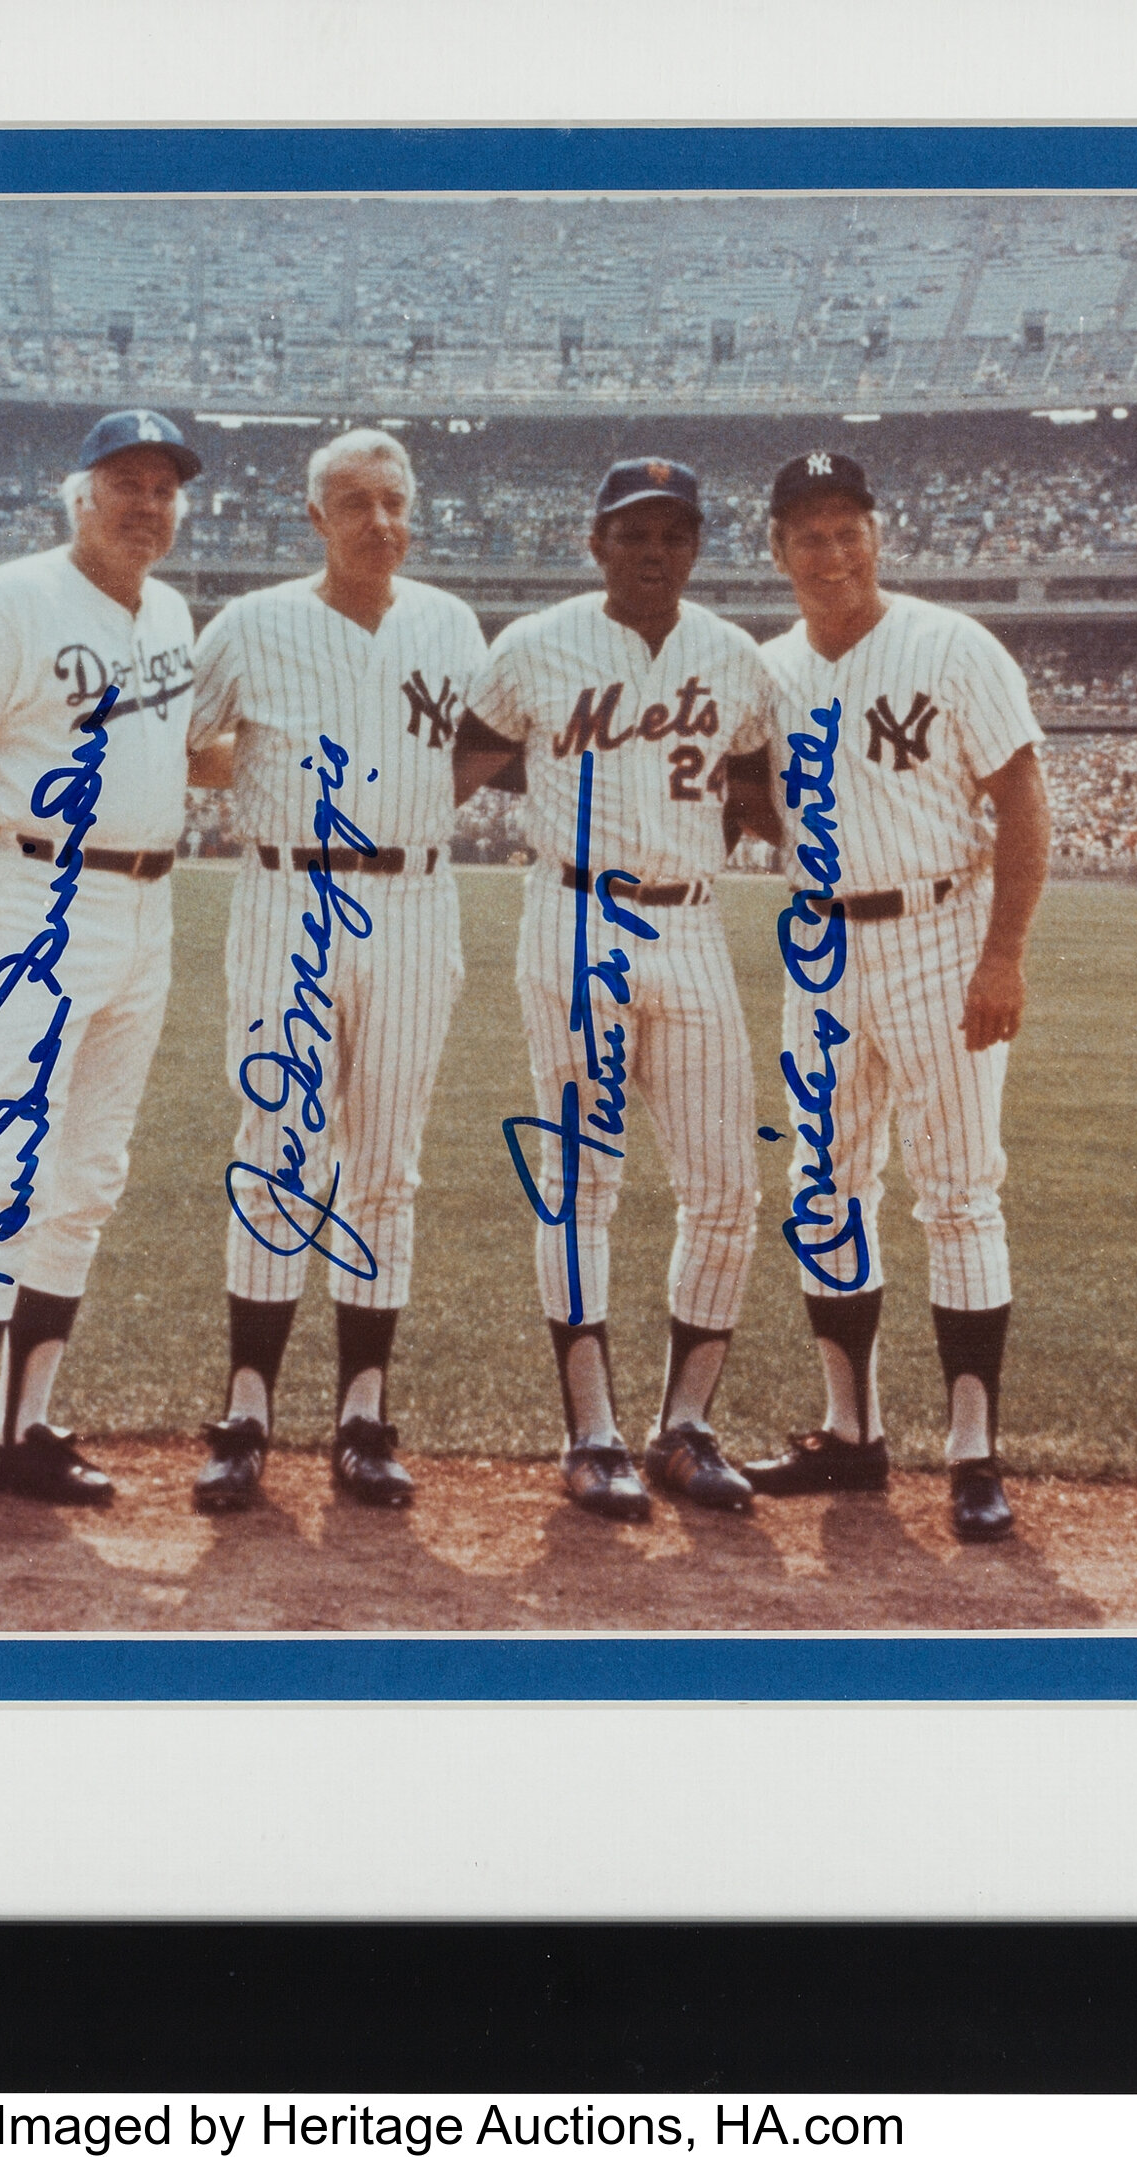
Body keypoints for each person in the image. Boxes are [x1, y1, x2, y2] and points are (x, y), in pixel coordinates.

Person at [0, 409, 204, 1560]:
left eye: (166, 487)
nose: (147, 503)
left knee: (91, 1174)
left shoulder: (169, 611)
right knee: (10, 1168)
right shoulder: (7, 597)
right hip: (34, 895)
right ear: (76, 493)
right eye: (124, 481)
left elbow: (165, 753)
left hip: (147, 906)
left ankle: (26, 1425)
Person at [453, 458, 781, 1521]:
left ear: (697, 547)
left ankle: (685, 1427)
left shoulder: (736, 658)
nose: (653, 551)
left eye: (675, 533)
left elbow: (765, 796)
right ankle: (591, 1431)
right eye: (632, 532)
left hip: (690, 918)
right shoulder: (534, 646)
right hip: (575, 913)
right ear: (595, 542)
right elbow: (454, 770)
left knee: (728, 1186)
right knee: (583, 1179)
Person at [179, 429, 490, 1512]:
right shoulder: (253, 622)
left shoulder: (450, 621)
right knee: (275, 1147)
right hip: (287, 893)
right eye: (353, 503)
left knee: (386, 1161)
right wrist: (255, 761)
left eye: (394, 501)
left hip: (412, 896)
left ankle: (364, 1412)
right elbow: (177, 740)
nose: (379, 522)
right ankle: (247, 1410)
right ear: (314, 517)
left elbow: (484, 743)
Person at [742, 451, 1050, 1541]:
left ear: (879, 532)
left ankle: (973, 1451)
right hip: (822, 941)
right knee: (824, 1182)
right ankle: (852, 1432)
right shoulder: (765, 670)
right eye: (809, 533)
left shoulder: (951, 644)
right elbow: (743, 789)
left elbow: (1020, 795)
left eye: (849, 527)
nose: (833, 552)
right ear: (775, 549)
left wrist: (1003, 953)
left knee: (960, 1190)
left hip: (937, 929)